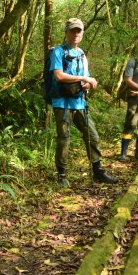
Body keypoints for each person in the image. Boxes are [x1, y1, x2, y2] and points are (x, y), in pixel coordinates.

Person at [49, 18, 118, 187]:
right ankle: (62, 175)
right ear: (66, 32)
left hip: (79, 102)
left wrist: (87, 84)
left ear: (82, 34)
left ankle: (98, 171)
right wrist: (84, 78)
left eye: (78, 31)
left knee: (92, 135)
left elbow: (87, 80)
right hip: (62, 103)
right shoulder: (58, 52)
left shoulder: (82, 55)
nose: (75, 34)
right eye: (72, 31)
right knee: (64, 138)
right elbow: (59, 75)